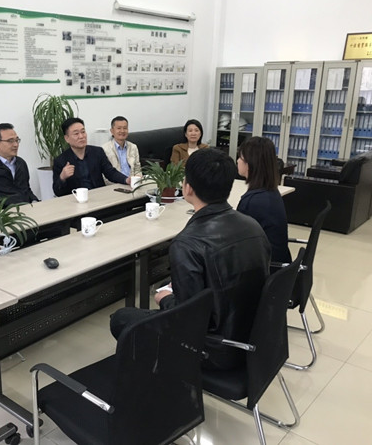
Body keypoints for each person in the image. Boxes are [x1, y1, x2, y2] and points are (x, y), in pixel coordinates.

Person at [110, 148, 270, 371]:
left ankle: (159, 376)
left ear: (188, 187)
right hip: (253, 336)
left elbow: (187, 319)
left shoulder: (187, 243)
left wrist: (165, 299)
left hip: (213, 348)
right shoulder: (253, 226)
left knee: (121, 318)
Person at [237, 136, 292, 263]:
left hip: (263, 267)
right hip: (276, 263)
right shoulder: (271, 191)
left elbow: (236, 243)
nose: (238, 161)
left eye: (240, 157)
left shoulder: (253, 202)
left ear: (250, 163)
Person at [53, 117, 130, 196]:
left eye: (83, 132)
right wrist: (62, 178)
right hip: (77, 200)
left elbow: (110, 172)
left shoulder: (97, 152)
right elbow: (57, 192)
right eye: (76, 134)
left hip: (99, 196)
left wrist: (126, 179)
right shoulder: (61, 161)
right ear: (67, 138)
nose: (81, 136)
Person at [101, 116, 141, 181]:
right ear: (112, 131)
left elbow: (137, 168)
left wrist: (137, 180)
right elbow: (105, 175)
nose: (122, 131)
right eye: (119, 128)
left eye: (125, 128)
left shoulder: (133, 147)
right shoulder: (104, 149)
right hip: (115, 183)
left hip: (132, 182)